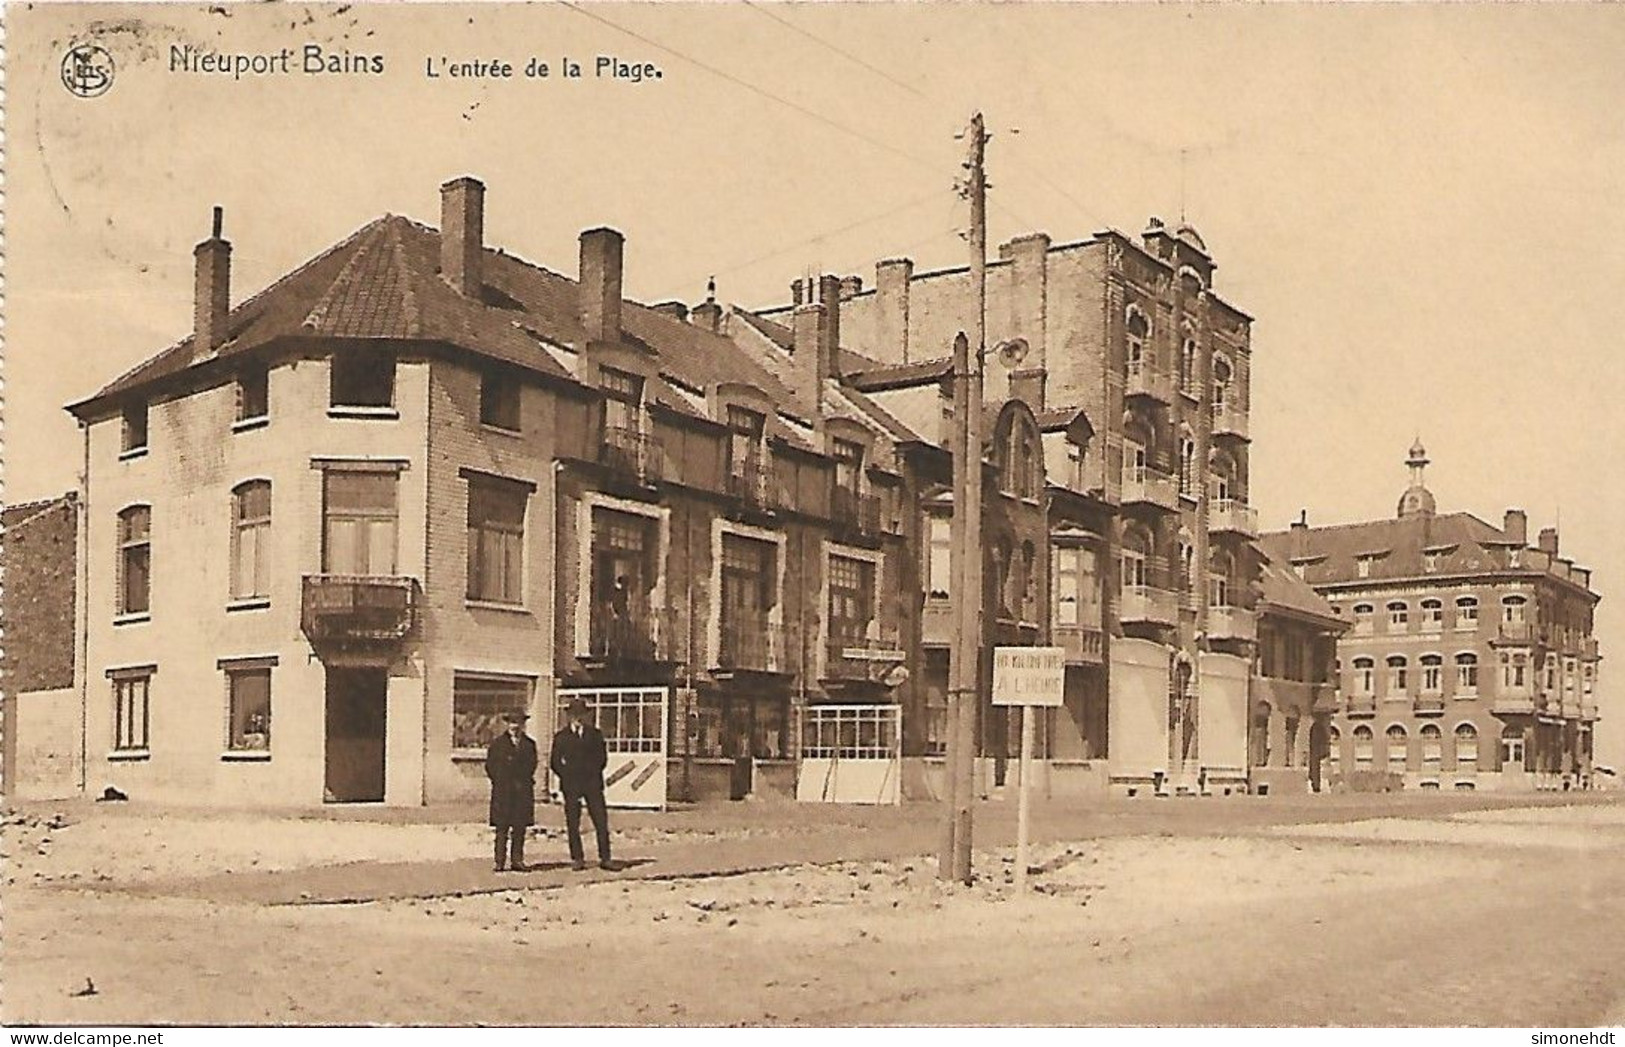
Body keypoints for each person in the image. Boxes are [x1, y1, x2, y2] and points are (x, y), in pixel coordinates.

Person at [550, 698, 613, 871]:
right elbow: (555, 762)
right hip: (571, 786)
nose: (578, 718)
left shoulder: (595, 735)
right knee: (572, 823)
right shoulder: (561, 737)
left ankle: (605, 858)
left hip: (592, 784)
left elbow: (602, 759)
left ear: (586, 715)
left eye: (581, 714)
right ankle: (577, 858)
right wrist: (568, 776)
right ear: (569, 716)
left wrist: (590, 774)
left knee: (600, 821)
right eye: (574, 715)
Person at [485, 710, 538, 872]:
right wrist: (501, 781)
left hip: (522, 792)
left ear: (523, 724)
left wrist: (522, 781)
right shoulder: (498, 744)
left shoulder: (529, 745)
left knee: (519, 828)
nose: (515, 726)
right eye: (512, 722)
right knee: (502, 828)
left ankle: (517, 860)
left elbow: (532, 766)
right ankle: (499, 861)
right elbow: (490, 766)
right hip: (503, 792)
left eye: (518, 722)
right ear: (507, 724)